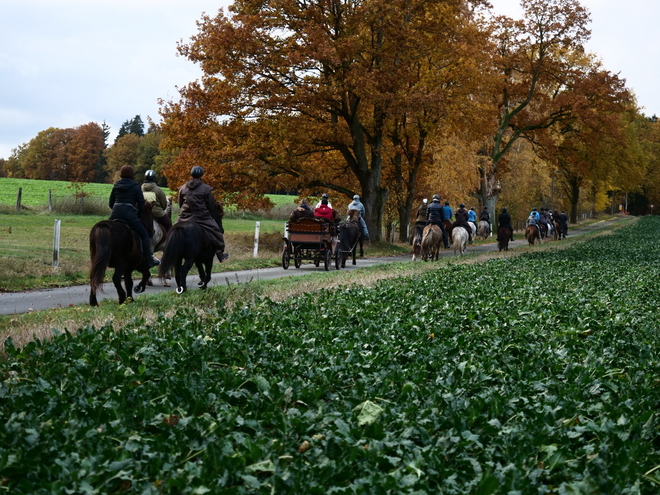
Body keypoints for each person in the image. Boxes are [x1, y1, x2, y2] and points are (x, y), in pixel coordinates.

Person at [109, 165, 160, 268]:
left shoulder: (116, 185)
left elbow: (111, 203)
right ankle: (149, 260)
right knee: (145, 236)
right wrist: (138, 215)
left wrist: (116, 211)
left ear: (121, 174)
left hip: (115, 213)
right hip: (130, 215)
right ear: (132, 175)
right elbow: (141, 204)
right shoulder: (135, 186)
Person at [177, 165, 229, 263]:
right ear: (201, 175)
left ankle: (168, 249)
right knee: (216, 230)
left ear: (191, 174)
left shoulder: (182, 188)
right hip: (201, 217)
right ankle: (220, 252)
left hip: (184, 217)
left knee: (173, 231)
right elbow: (211, 205)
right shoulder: (206, 189)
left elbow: (180, 203)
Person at [141, 169, 172, 234]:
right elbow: (164, 204)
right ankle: (170, 241)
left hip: (143, 213)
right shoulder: (158, 190)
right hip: (157, 213)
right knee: (169, 224)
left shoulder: (140, 189)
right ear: (154, 179)